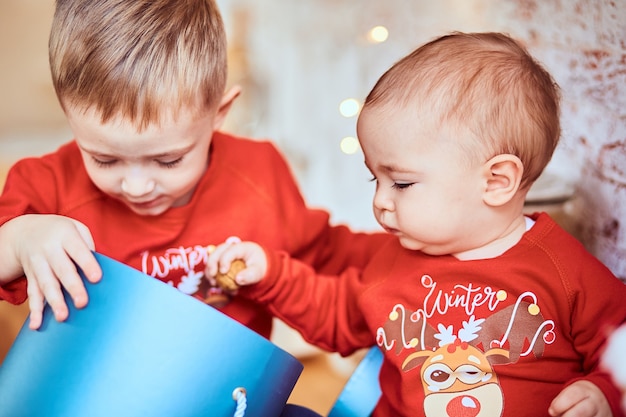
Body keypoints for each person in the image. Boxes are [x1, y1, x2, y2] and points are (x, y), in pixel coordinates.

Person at [206, 32, 626, 416]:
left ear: (497, 182)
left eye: (402, 183)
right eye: (377, 179)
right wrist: (271, 274)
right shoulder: (395, 262)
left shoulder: (564, 272)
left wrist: (606, 391)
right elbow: (336, 314)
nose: (380, 201)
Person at [0, 0, 389, 339]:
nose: (136, 186)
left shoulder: (258, 172)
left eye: (168, 160)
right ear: (70, 115)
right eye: (105, 159)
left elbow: (328, 253)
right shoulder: (47, 187)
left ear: (219, 114)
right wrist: (20, 241)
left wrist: (428, 249)